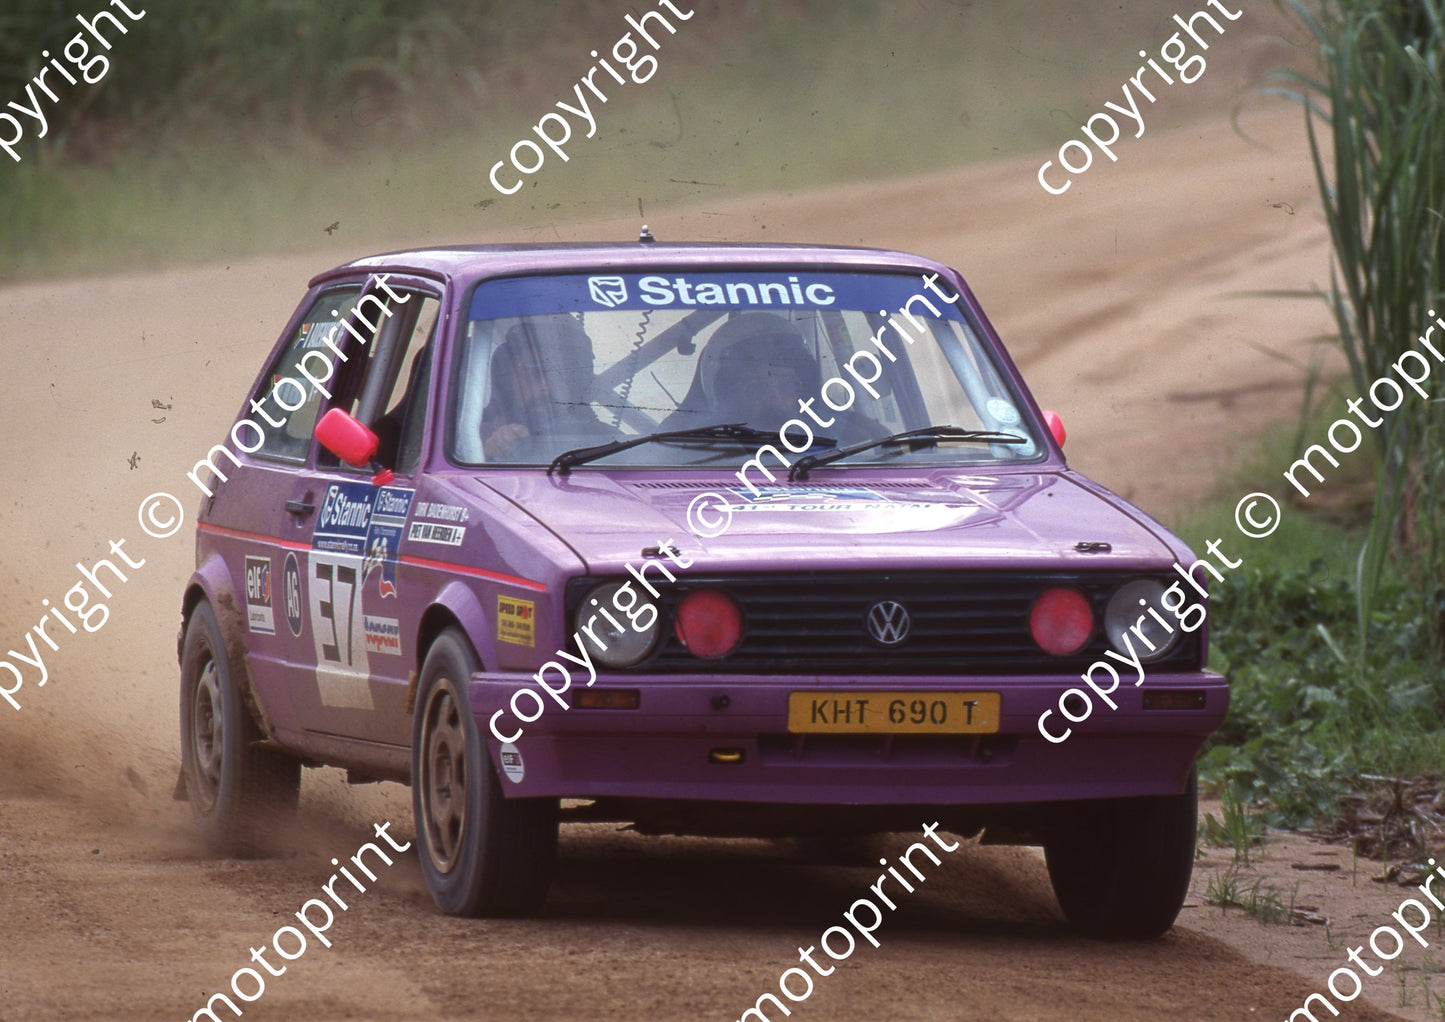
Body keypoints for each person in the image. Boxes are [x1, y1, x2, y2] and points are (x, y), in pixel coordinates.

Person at [480, 316, 611, 460]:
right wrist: (487, 455)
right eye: (533, 371)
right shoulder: (466, 440)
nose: (547, 385)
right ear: (505, 377)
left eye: (563, 374)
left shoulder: (608, 442)